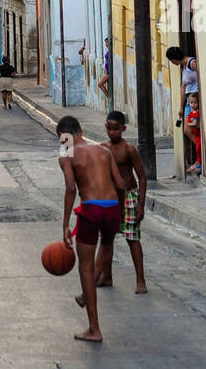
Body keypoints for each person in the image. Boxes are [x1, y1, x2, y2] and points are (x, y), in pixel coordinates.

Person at [57, 114, 126, 344]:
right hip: (112, 207)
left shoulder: (67, 155)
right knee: (107, 244)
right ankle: (87, 295)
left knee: (85, 268)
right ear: (80, 130)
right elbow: (120, 185)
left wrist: (66, 223)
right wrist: (122, 214)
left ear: (64, 137)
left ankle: (94, 328)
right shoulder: (103, 150)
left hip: (91, 210)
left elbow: (70, 188)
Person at [101, 111, 148, 294]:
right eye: (109, 129)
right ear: (105, 127)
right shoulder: (102, 148)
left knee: (132, 238)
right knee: (107, 239)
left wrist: (141, 206)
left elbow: (142, 177)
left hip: (129, 196)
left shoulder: (129, 149)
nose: (112, 133)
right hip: (109, 198)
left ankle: (140, 280)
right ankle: (106, 276)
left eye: (116, 129)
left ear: (123, 129)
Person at [167, 46, 199, 150]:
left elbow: (201, 75)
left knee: (190, 130)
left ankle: (201, 154)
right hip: (189, 101)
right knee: (187, 130)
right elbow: (183, 87)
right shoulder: (184, 66)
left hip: (195, 100)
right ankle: (200, 155)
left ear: (174, 59)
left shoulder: (191, 63)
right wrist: (181, 107)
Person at [186, 92, 202, 173]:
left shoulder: (199, 113)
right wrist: (193, 124)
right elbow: (189, 123)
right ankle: (199, 162)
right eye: (191, 102)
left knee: (199, 148)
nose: (193, 105)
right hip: (195, 135)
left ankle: (199, 163)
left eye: (195, 102)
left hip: (199, 134)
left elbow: (197, 123)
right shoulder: (191, 114)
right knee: (197, 148)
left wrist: (193, 124)